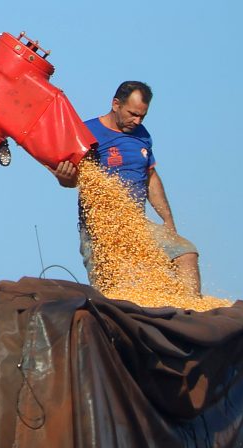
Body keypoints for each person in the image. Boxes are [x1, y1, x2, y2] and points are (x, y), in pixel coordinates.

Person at [51, 81, 201, 296]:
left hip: (137, 224)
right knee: (112, 296)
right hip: (101, 229)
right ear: (116, 104)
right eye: (132, 114)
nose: (137, 120)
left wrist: (168, 220)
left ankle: (193, 309)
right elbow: (74, 179)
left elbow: (150, 177)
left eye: (142, 116)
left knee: (185, 253)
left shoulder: (142, 135)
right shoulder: (87, 132)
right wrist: (64, 178)